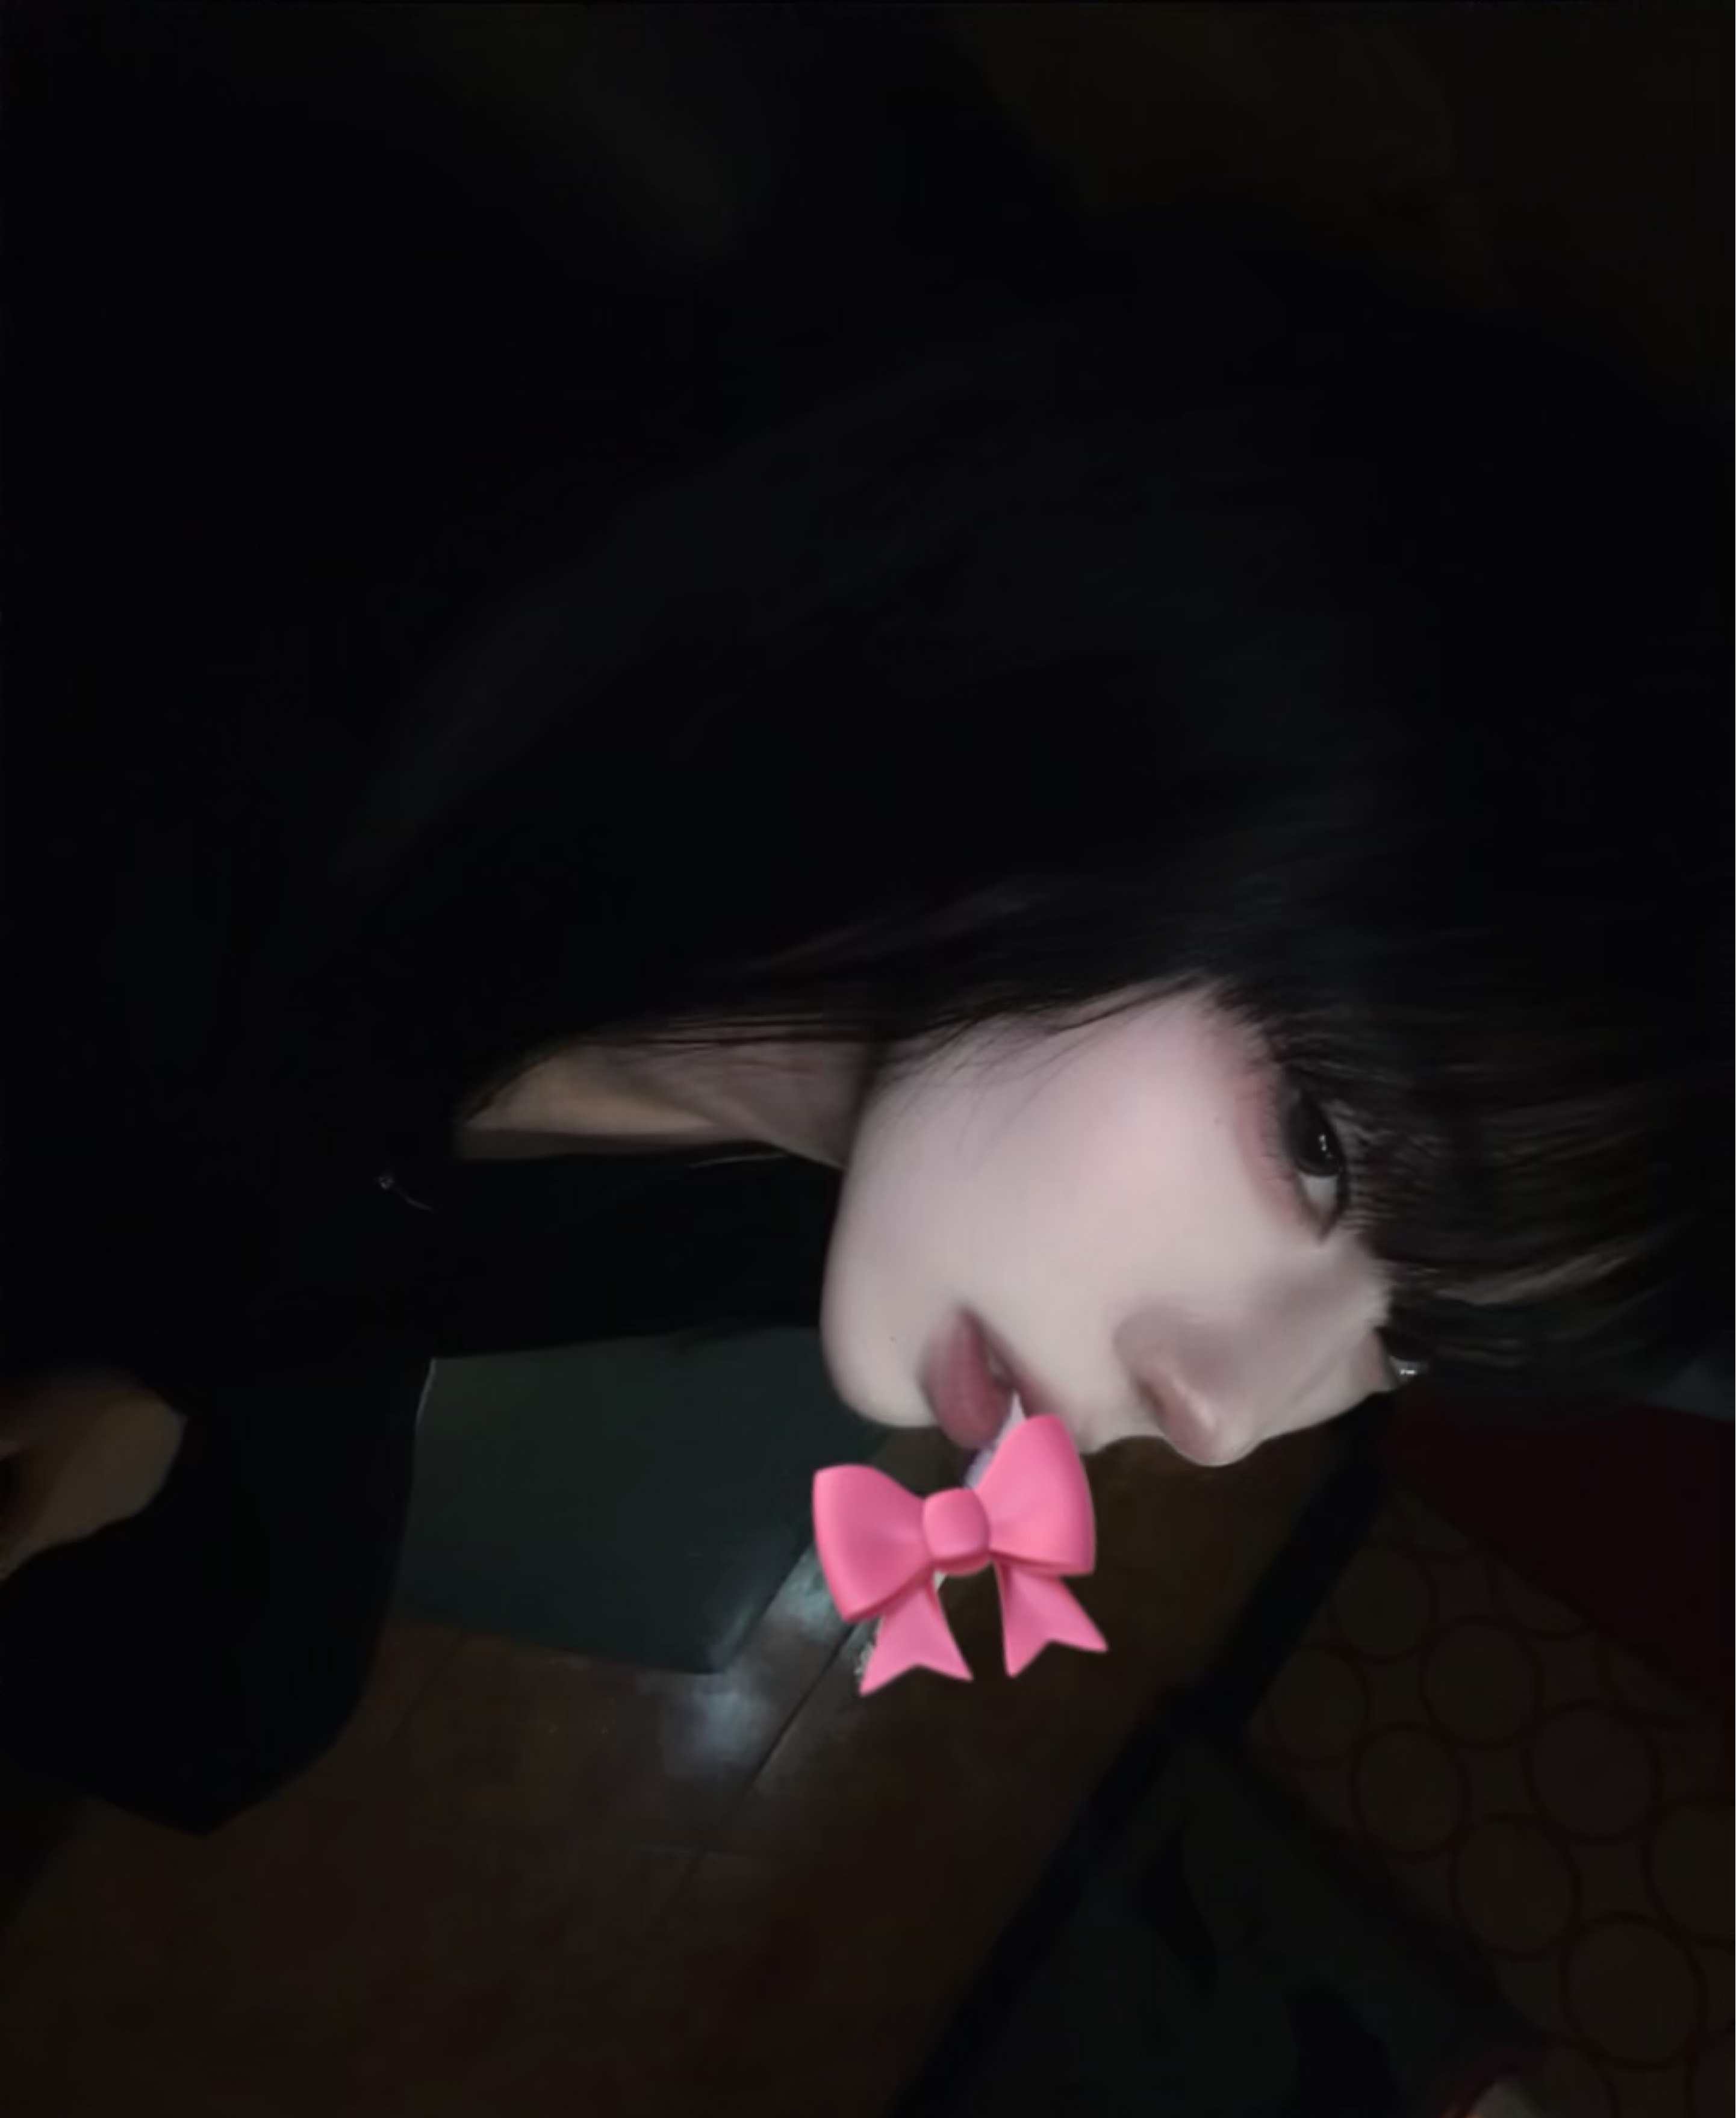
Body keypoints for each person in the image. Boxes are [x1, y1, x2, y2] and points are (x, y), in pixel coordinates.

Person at [1, 33, 1727, 1829]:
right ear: (1211, 721)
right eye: (1318, 1145)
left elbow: (364, 1239)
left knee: (234, 1704)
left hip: (254, 1234)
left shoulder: (856, 1156)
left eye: (1413, 1337)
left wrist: (158, 1373)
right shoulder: (228, 633)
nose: (1225, 1418)